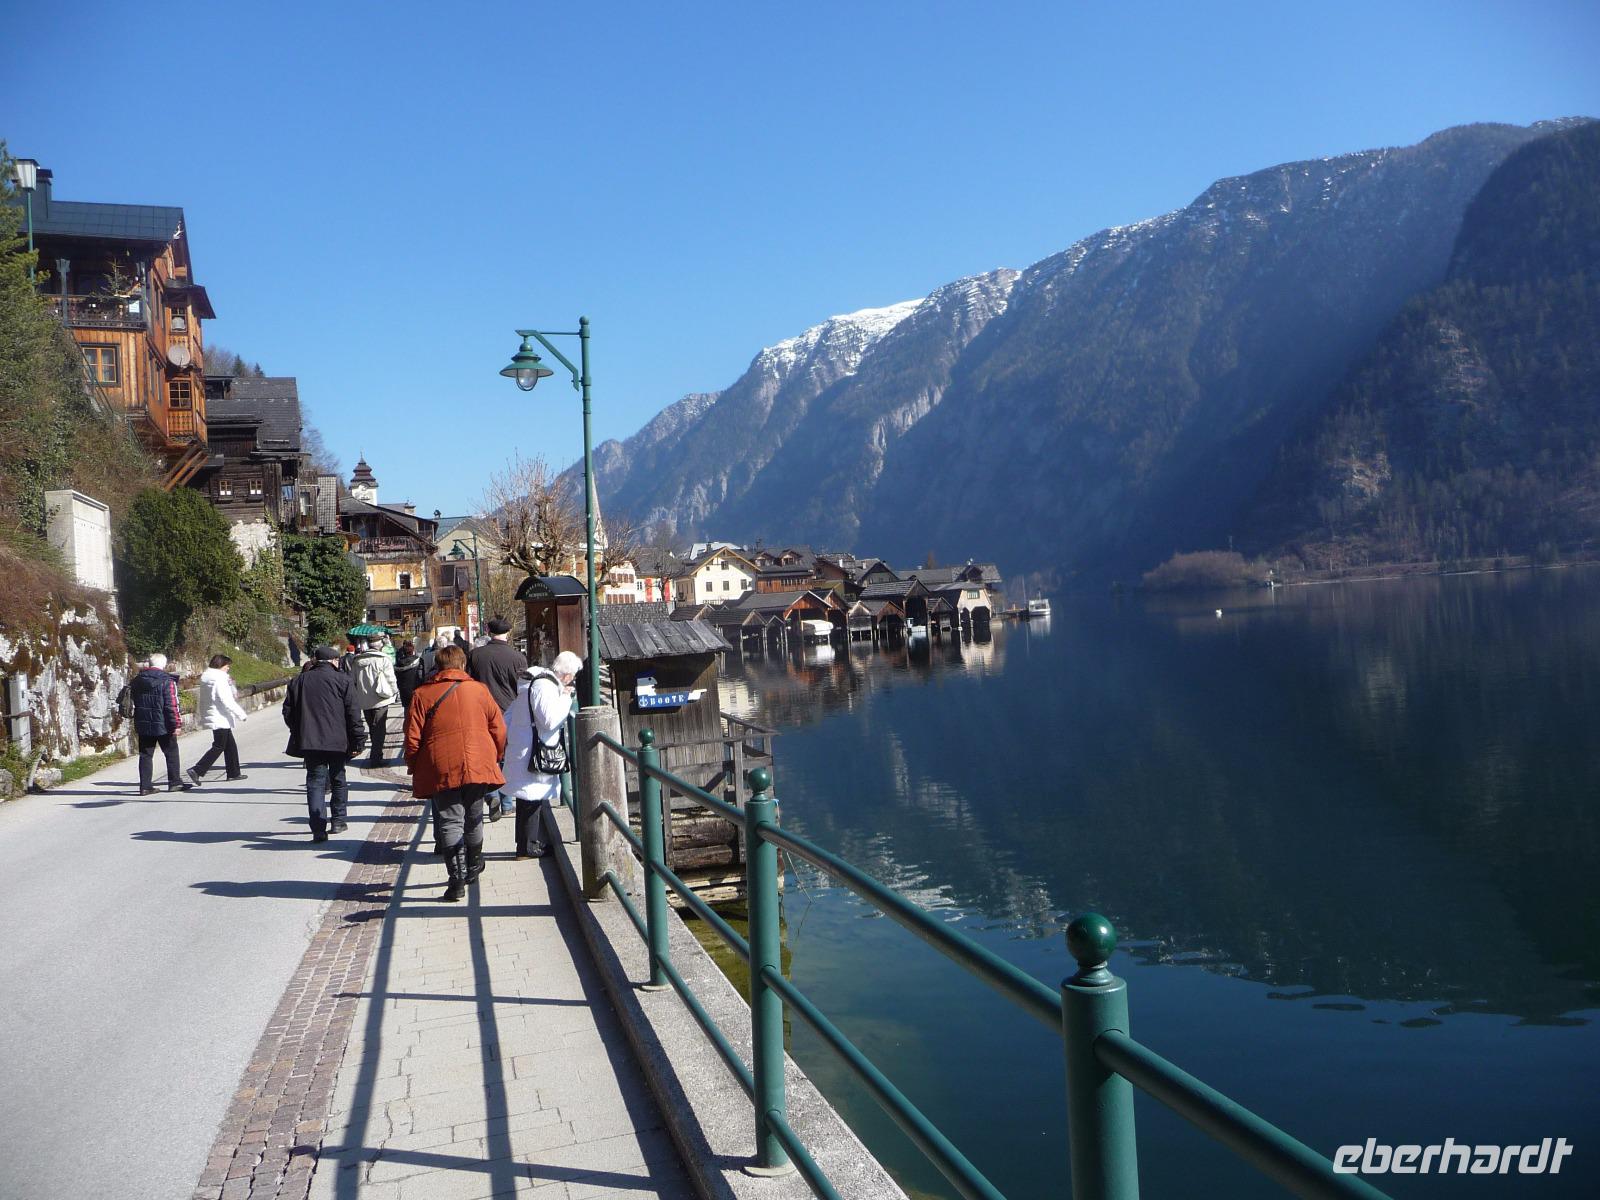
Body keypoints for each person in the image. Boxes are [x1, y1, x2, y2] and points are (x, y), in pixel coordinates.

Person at [405, 644, 506, 902]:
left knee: (450, 821)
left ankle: (456, 880)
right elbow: (498, 728)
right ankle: (473, 867)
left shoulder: (422, 694)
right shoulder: (479, 690)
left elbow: (412, 737)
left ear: (437, 667)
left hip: (441, 765)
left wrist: (414, 765)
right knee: (474, 817)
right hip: (477, 762)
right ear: (462, 665)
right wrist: (495, 755)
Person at [283, 644, 366, 842]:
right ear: (334, 661)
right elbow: (353, 713)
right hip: (338, 740)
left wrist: (299, 730)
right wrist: (358, 739)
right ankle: (338, 821)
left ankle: (318, 828)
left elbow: (288, 712)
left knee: (315, 782)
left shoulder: (299, 681)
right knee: (338, 779)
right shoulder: (343, 680)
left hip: (310, 741)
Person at [503, 650, 580, 859]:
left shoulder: (530, 686)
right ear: (567, 675)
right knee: (531, 798)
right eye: (572, 676)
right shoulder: (544, 686)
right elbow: (549, 720)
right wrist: (566, 698)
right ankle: (528, 847)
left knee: (526, 798)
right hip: (534, 750)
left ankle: (525, 845)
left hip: (523, 747)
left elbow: (507, 718)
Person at [467, 617, 528, 822]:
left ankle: (491, 794)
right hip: (509, 712)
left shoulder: (475, 655)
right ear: (508, 633)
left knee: (487, 756)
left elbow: (469, 683)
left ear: (489, 632)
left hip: (482, 712)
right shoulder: (518, 657)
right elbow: (523, 688)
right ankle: (507, 802)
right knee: (506, 757)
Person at [129, 653, 193, 795]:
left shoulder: (137, 680)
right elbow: (172, 705)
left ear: (149, 664)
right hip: (163, 723)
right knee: (171, 752)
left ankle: (145, 786)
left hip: (143, 722)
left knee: (145, 754)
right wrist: (177, 724)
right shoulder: (167, 681)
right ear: (164, 665)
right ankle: (175, 782)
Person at [187, 653, 249, 785]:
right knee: (219, 746)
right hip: (219, 716)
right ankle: (197, 770)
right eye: (227, 666)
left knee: (230, 745)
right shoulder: (219, 679)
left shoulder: (208, 677)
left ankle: (234, 773)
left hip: (215, 714)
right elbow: (226, 699)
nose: (228, 668)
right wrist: (241, 714)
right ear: (220, 665)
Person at [350, 637, 399, 767]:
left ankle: (375, 754)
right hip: (380, 698)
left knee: (372, 727)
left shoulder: (357, 660)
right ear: (380, 646)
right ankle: (376, 757)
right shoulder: (383, 659)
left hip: (364, 699)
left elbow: (352, 680)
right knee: (379, 728)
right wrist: (394, 692)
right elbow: (391, 679)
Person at [395, 640, 424, 710]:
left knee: (406, 709)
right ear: (413, 650)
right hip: (416, 689)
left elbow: (397, 678)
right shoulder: (419, 661)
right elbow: (421, 676)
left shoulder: (399, 663)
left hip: (404, 691)